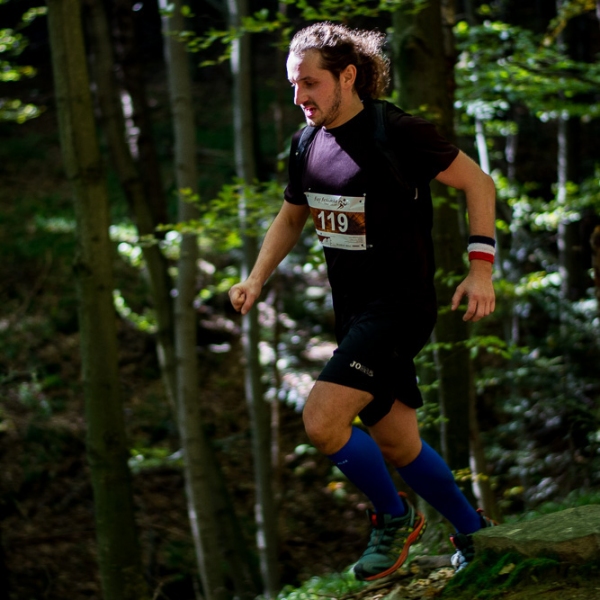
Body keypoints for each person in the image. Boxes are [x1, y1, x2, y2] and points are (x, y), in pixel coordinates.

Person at [229, 22, 497, 581]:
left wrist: (480, 270)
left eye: (310, 83)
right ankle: (476, 535)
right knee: (398, 443)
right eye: (293, 85)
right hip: (354, 313)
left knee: (322, 422)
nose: (300, 97)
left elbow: (479, 183)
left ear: (347, 76)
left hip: (399, 308)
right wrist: (256, 278)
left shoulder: (395, 131)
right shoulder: (306, 143)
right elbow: (292, 216)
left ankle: (393, 519)